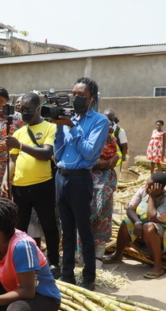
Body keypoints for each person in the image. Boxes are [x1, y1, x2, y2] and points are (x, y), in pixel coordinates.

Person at [52, 77, 109, 290]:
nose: (76, 98)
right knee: (66, 230)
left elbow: (89, 152)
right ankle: (67, 274)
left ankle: (88, 278)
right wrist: (59, 128)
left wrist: (72, 127)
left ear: (91, 98)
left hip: (80, 179)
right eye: (74, 94)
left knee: (84, 230)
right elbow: (58, 154)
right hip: (61, 176)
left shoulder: (100, 121)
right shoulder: (69, 118)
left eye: (81, 95)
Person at [2, 92, 61, 277]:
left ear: (38, 108)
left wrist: (20, 145)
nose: (24, 113)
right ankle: (21, 262)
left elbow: (46, 154)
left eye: (28, 109)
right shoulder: (18, 132)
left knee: (48, 225)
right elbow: (13, 159)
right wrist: (6, 178)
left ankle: (53, 262)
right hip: (19, 187)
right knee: (20, 227)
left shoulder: (50, 127)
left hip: (43, 185)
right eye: (22, 109)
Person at [104, 172, 166, 279]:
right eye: (146, 184)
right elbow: (130, 209)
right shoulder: (143, 190)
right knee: (126, 223)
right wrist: (137, 222)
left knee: (149, 227)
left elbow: (153, 218)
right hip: (144, 228)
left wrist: (152, 197)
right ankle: (117, 255)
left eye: (150, 186)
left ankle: (158, 266)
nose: (146, 187)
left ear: (159, 187)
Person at [78, 125, 120, 262]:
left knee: (104, 218)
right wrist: (99, 164)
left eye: (111, 123)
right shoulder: (86, 138)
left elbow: (117, 155)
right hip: (87, 181)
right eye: (106, 123)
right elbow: (80, 159)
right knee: (85, 217)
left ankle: (98, 257)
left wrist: (115, 158)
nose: (110, 127)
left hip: (107, 183)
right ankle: (81, 255)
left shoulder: (112, 139)